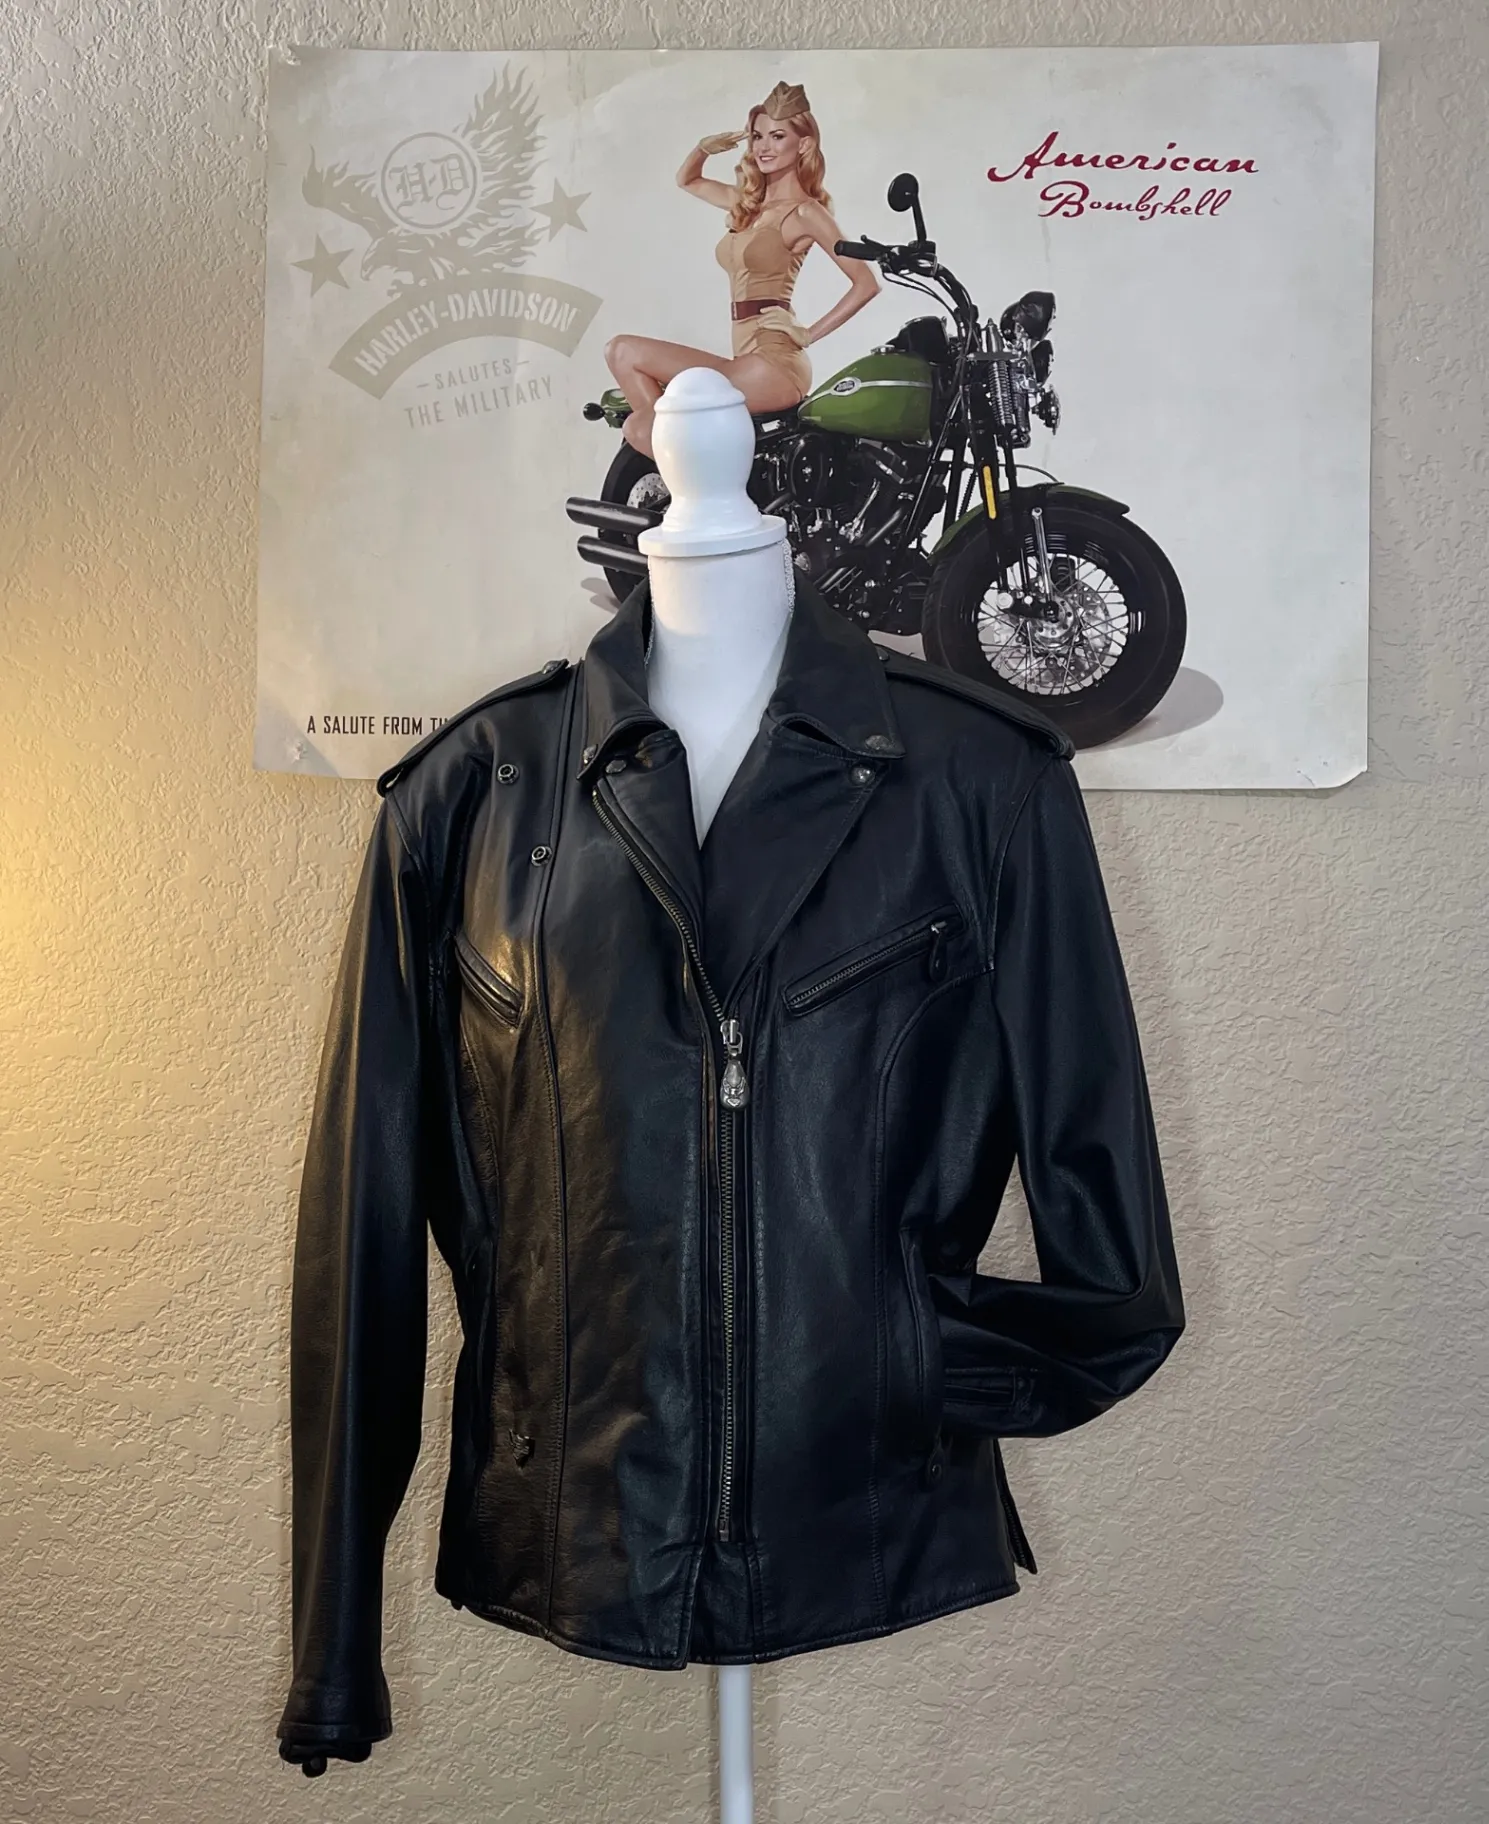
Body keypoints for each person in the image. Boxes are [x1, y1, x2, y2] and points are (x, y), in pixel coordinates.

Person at [604, 79, 882, 459]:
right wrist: (704, 148)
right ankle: (700, 469)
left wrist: (805, 334)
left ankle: (706, 474)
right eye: (757, 136)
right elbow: (688, 180)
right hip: (742, 360)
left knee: (640, 412)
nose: (763, 147)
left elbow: (865, 283)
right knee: (623, 360)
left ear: (803, 144)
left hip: (774, 364)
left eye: (777, 136)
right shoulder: (747, 205)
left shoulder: (806, 213)